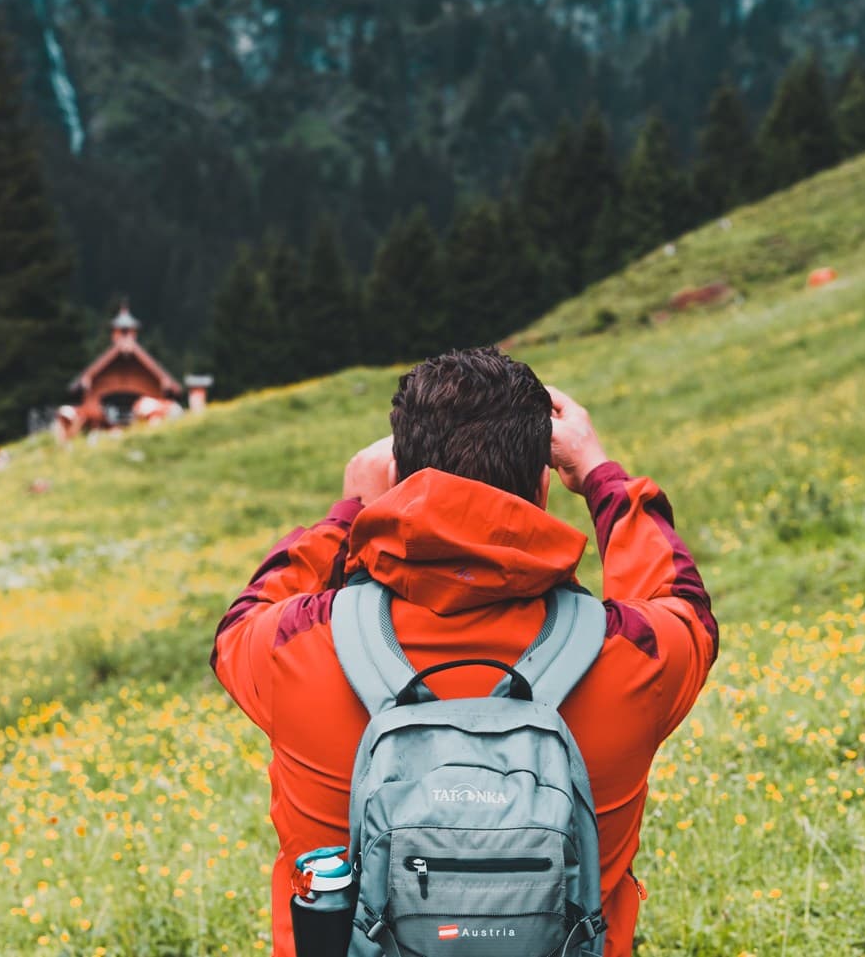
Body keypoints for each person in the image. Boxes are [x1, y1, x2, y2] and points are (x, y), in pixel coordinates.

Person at [211, 347, 717, 957]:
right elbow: (682, 602)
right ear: (541, 486)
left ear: (397, 484)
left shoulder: (291, 649)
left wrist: (347, 512)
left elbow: (242, 620)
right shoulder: (637, 658)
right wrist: (598, 474)